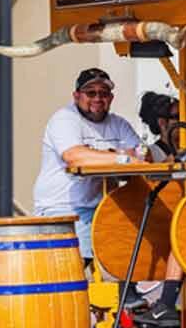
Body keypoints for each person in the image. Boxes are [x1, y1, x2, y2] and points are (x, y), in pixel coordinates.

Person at [32, 68, 142, 267]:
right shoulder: (65, 118)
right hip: (65, 205)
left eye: (104, 93)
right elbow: (74, 157)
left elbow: (141, 155)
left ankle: (127, 291)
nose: (98, 98)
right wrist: (121, 157)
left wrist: (116, 157)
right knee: (75, 265)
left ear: (111, 97)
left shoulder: (119, 123)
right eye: (90, 93)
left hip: (103, 205)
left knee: (141, 232)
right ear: (76, 96)